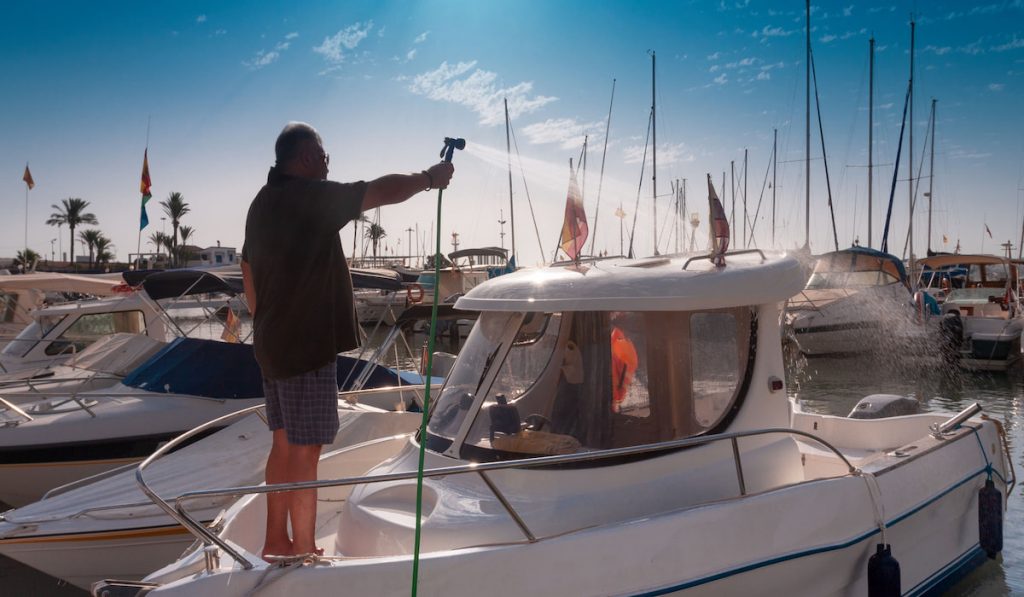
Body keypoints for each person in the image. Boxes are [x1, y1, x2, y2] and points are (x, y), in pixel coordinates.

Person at [241, 122, 454, 559]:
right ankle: (301, 548)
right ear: (305, 159)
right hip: (304, 348)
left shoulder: (263, 202)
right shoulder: (308, 197)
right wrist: (430, 179)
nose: (327, 163)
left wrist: (265, 321)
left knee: (282, 444)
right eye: (323, 155)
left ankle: (275, 540)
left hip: (273, 345)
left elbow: (247, 269)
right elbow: (378, 191)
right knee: (305, 450)